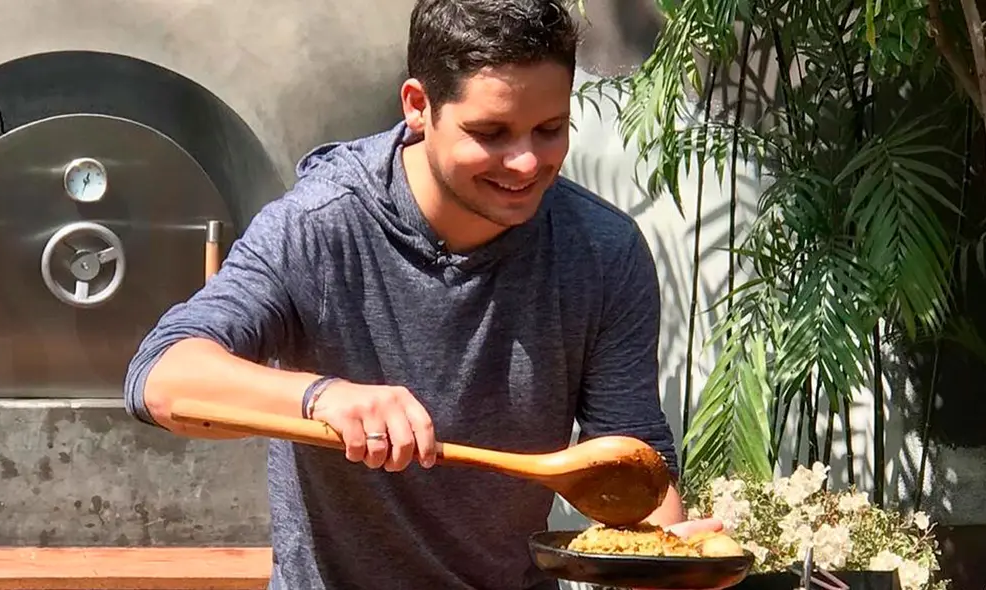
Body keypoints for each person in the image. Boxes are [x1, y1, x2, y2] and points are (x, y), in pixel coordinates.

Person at [123, 0, 720, 588]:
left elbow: (631, 464)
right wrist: (323, 397)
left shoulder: (603, 251)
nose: (525, 162)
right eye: (490, 132)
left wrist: (667, 561)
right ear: (418, 106)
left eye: (550, 129)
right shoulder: (321, 224)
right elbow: (162, 378)